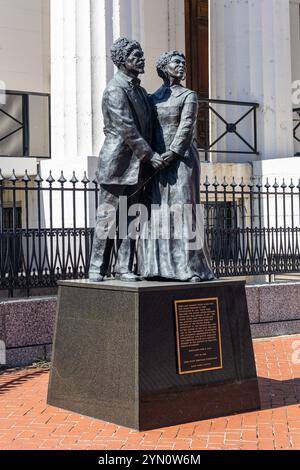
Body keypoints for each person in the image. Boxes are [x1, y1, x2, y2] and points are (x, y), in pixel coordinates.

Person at [88, 37, 165, 282]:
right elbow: (126, 127)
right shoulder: (115, 88)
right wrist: (150, 154)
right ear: (122, 61)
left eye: (141, 54)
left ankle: (124, 267)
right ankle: (96, 268)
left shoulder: (141, 91)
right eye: (135, 55)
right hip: (118, 163)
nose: (142, 59)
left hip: (138, 166)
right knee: (107, 217)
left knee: (132, 217)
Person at [138, 51, 215, 282]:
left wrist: (172, 153)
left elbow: (187, 126)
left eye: (183, 62)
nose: (181, 66)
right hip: (157, 162)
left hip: (181, 161)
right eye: (176, 62)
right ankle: (157, 267)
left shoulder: (188, 96)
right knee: (157, 212)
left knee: (184, 210)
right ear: (164, 67)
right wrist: (151, 157)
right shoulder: (153, 99)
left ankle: (191, 268)